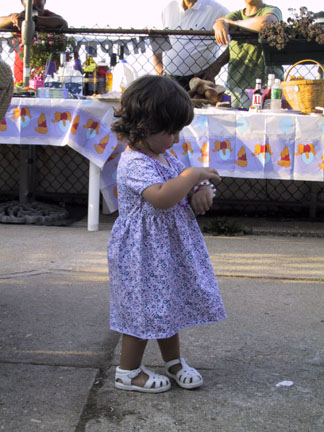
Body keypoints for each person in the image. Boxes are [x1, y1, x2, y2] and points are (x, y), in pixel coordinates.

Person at [108, 75, 226, 393]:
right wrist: (193, 175)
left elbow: (179, 181)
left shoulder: (163, 155)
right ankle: (128, 371)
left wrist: (199, 186)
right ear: (145, 127)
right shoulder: (133, 161)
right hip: (141, 253)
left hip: (165, 251)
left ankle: (173, 362)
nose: (176, 139)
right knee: (143, 310)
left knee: (166, 305)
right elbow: (162, 196)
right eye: (171, 131)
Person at [201, 0, 283, 108]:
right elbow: (219, 22)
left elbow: (265, 23)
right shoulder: (236, 15)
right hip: (236, 87)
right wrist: (220, 25)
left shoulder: (271, 10)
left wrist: (235, 24)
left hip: (267, 87)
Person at [152, 0, 229, 90]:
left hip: (200, 81)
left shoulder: (218, 11)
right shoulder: (168, 7)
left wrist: (216, 66)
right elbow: (157, 37)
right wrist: (159, 68)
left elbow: (236, 44)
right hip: (168, 79)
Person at [0, 0, 68, 83]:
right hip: (21, 76)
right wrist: (12, 19)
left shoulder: (49, 16)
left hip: (48, 77)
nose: (33, 3)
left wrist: (34, 20)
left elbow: (62, 23)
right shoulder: (18, 17)